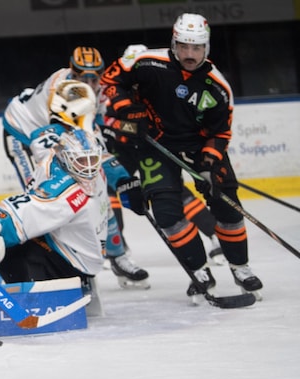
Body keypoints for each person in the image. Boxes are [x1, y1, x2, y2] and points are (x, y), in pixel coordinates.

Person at [101, 13, 262, 300]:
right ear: (173, 43)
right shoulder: (147, 63)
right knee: (166, 214)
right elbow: (111, 78)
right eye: (184, 46)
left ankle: (241, 267)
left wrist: (209, 165)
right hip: (156, 146)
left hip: (200, 147)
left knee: (227, 206)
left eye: (197, 47)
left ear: (207, 48)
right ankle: (200, 271)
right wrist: (127, 109)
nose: (189, 54)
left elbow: (220, 133)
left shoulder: (217, 87)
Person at [2, 46, 150, 289]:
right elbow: (75, 136)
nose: (90, 82)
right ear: (72, 72)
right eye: (83, 76)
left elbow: (98, 127)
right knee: (45, 197)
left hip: (57, 134)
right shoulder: (60, 90)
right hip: (24, 133)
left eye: (95, 76)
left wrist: (131, 128)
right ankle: (55, 265)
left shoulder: (96, 90)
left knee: (96, 192)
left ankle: (117, 255)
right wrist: (123, 179)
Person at [0, 124, 109, 307]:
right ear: (63, 156)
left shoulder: (67, 194)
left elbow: (16, 217)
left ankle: (37, 300)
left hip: (73, 265)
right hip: (83, 252)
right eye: (81, 161)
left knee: (5, 248)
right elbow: (40, 137)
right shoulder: (86, 169)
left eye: (91, 160)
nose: (88, 168)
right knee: (15, 238)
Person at [102, 43, 224, 265]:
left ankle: (214, 234)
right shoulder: (118, 89)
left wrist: (148, 131)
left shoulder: (156, 83)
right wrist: (131, 129)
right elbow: (105, 121)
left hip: (152, 149)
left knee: (175, 193)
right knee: (109, 193)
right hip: (123, 154)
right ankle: (117, 250)